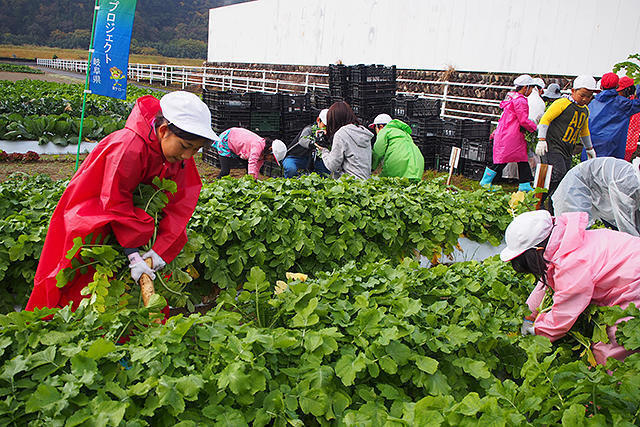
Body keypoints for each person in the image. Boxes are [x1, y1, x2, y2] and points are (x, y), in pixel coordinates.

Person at [26, 91, 217, 311]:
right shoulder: (129, 145)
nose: (188, 156)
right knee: (77, 277)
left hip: (131, 226)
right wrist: (133, 255)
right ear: (164, 131)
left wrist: (158, 251)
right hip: (92, 215)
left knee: (124, 296)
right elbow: (114, 200)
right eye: (185, 147)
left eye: (195, 150)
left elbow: (180, 204)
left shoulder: (179, 158)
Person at [501, 210, 640, 366]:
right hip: (631, 270)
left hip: (635, 287)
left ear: (536, 252)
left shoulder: (572, 265)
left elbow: (564, 313)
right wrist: (529, 314)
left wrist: (538, 332)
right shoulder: (563, 242)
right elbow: (547, 281)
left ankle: (616, 385)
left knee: (612, 351)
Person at [535, 75, 597, 212]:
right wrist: (541, 140)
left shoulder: (585, 110)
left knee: (562, 177)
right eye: (582, 95)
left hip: (567, 149)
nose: (585, 99)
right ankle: (539, 199)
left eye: (589, 96)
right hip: (552, 146)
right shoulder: (562, 103)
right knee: (558, 173)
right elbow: (545, 119)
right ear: (573, 91)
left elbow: (584, 130)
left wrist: (589, 148)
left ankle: (552, 204)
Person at [552, 157, 640, 236]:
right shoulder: (628, 184)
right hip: (577, 185)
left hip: (600, 191)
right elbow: (625, 224)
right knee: (576, 232)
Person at [479, 74, 538, 192]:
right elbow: (523, 120)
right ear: (525, 87)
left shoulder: (511, 98)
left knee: (521, 158)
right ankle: (485, 182)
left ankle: (524, 184)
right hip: (512, 134)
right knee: (502, 159)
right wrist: (534, 128)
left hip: (506, 131)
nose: (531, 91)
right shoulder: (520, 101)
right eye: (531, 88)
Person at [581, 73, 640, 160]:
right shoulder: (623, 104)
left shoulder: (592, 103)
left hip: (591, 146)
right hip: (612, 149)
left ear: (601, 86)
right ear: (617, 86)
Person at [315, 101, 373, 180]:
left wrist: (323, 150)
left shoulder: (341, 134)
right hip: (365, 182)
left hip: (349, 184)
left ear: (334, 119)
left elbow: (332, 165)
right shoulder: (361, 131)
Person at [370, 113, 424, 180]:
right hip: (417, 164)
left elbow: (378, 151)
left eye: (375, 129)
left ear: (380, 126)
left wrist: (371, 167)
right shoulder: (403, 133)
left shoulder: (385, 131)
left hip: (399, 163)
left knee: (385, 182)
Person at [281, 109, 331, 177]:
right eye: (324, 125)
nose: (326, 128)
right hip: (295, 157)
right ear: (318, 120)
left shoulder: (329, 133)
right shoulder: (309, 129)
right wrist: (313, 143)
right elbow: (302, 140)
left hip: (314, 159)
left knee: (326, 170)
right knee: (291, 169)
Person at [213, 127, 279, 179]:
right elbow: (252, 162)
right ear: (270, 149)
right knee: (225, 172)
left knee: (249, 169)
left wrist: (254, 179)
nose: (271, 160)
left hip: (239, 146)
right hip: (227, 139)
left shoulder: (263, 155)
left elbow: (256, 168)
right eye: (272, 158)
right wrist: (251, 178)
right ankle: (215, 185)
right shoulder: (258, 146)